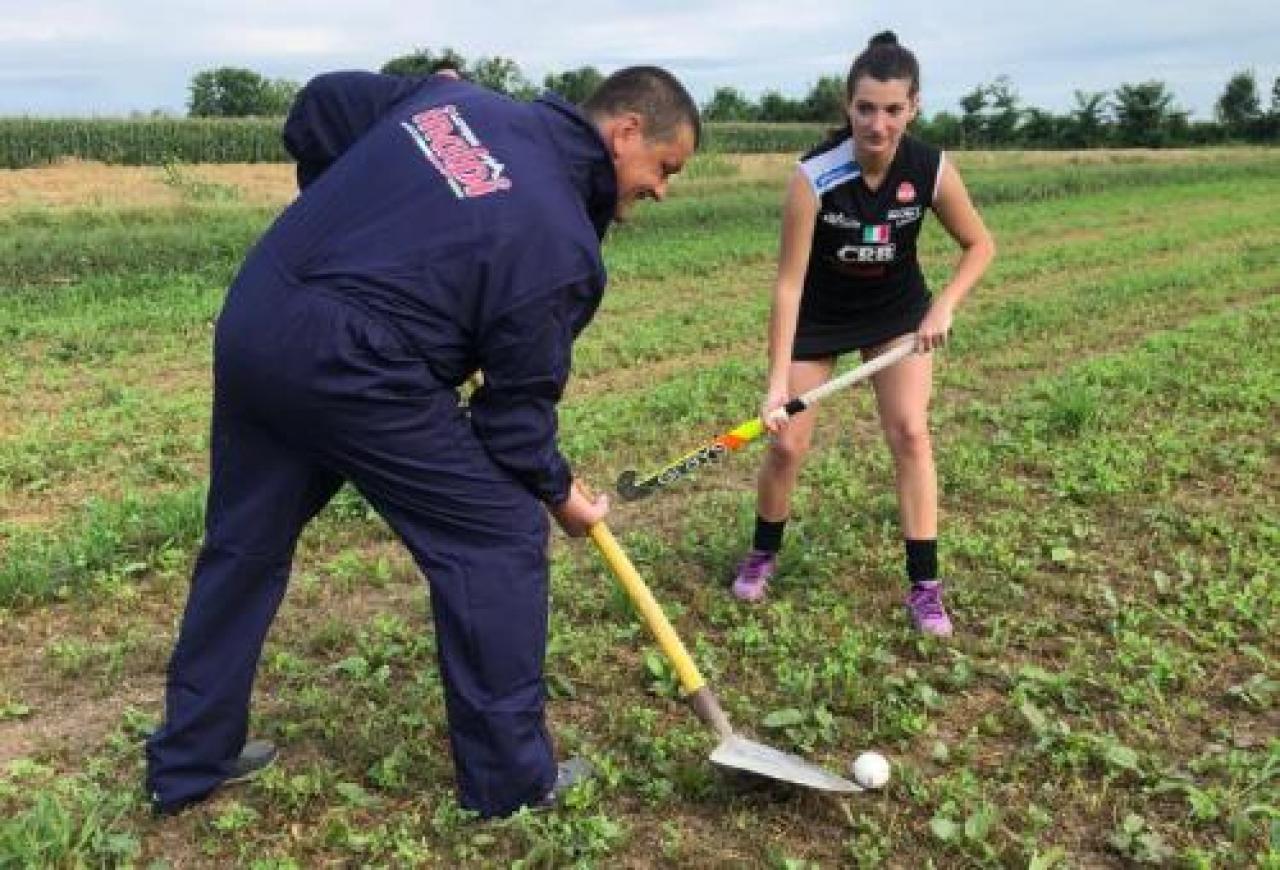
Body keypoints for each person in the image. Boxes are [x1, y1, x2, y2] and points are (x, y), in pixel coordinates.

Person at [145, 65, 699, 819]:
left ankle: (188, 761)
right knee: (498, 536)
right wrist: (561, 495)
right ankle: (511, 785)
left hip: (260, 313)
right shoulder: (561, 242)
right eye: (664, 168)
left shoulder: (454, 100)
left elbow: (319, 108)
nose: (662, 188)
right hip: (355, 364)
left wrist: (358, 218)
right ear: (625, 131)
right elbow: (510, 422)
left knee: (245, 543)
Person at [730, 32, 994, 636]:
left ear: (914, 107)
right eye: (866, 108)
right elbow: (788, 285)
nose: (879, 123)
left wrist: (943, 307)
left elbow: (980, 245)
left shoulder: (929, 169)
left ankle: (925, 587)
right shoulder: (815, 176)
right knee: (788, 443)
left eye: (893, 109)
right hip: (820, 315)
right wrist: (775, 386)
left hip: (897, 314)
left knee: (910, 433)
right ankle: (763, 553)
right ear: (848, 106)